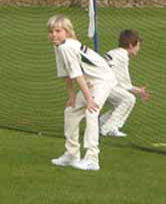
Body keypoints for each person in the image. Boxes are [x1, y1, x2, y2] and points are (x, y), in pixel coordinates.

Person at [47, 14, 117, 171]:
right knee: (70, 111)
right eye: (51, 31)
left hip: (103, 80)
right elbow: (66, 73)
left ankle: (92, 159)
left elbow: (77, 74)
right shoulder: (58, 46)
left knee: (91, 112)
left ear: (67, 32)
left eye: (58, 31)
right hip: (90, 81)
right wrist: (72, 96)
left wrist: (90, 100)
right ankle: (72, 154)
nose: (54, 35)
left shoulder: (67, 46)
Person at [100, 29, 150, 137]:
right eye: (138, 45)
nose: (139, 48)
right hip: (102, 87)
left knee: (121, 100)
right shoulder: (122, 57)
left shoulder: (114, 52)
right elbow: (124, 84)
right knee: (129, 99)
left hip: (98, 86)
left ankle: (103, 122)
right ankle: (108, 128)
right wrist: (139, 91)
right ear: (131, 45)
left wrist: (136, 90)